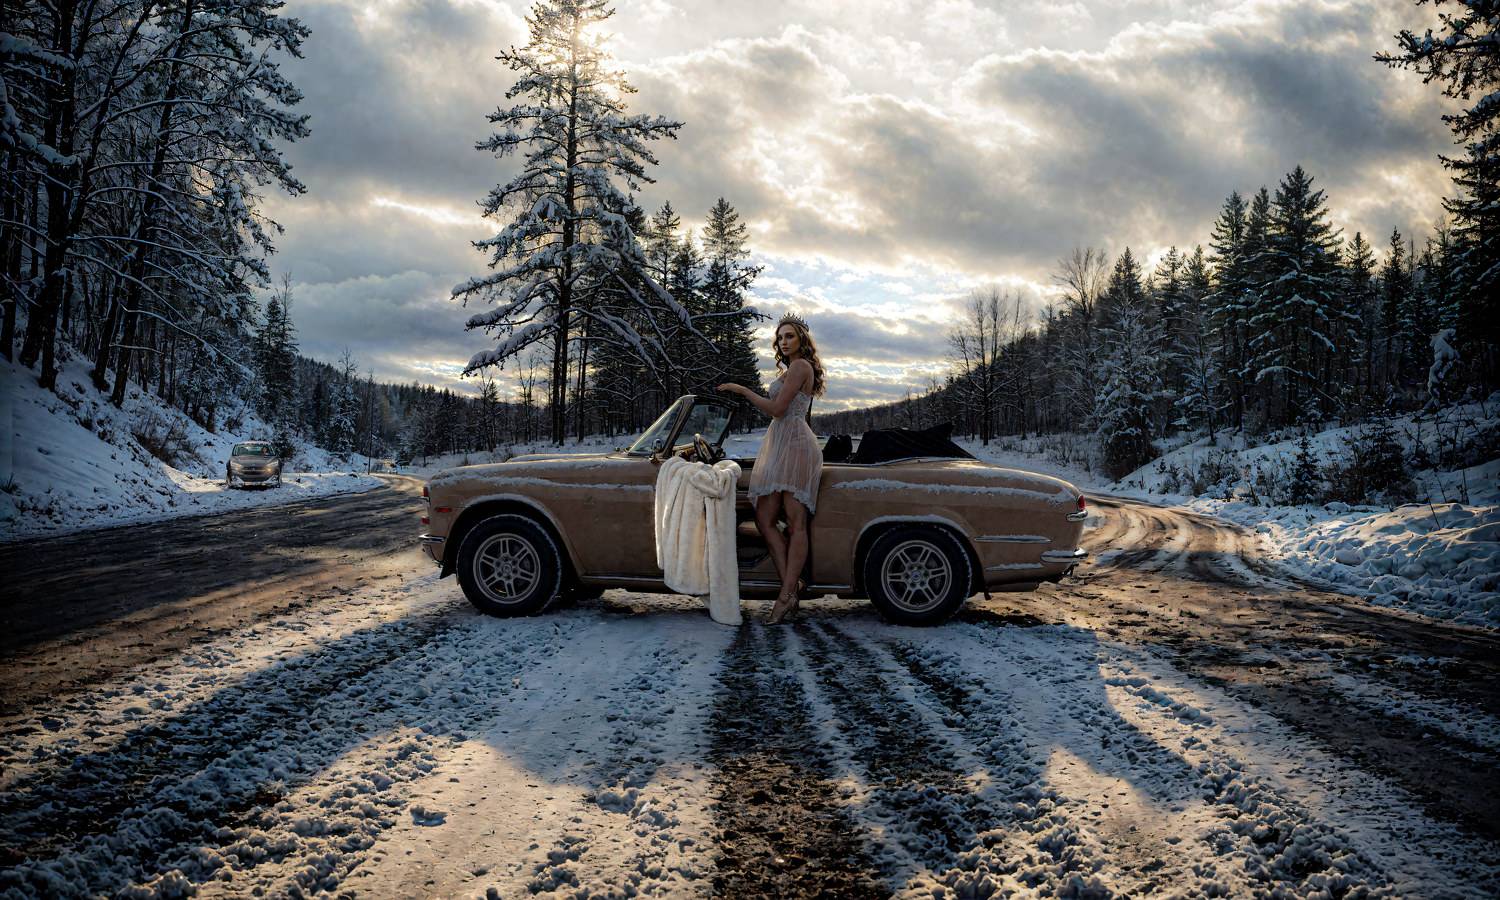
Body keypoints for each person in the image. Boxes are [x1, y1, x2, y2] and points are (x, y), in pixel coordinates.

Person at [716, 311, 826, 624]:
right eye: (780, 337)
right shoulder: (792, 368)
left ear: (802, 339)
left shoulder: (801, 366)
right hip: (781, 443)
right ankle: (791, 588)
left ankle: (785, 595)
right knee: (765, 519)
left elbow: (778, 410)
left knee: (795, 522)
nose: (784, 341)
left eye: (789, 336)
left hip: (795, 444)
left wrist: (743, 391)